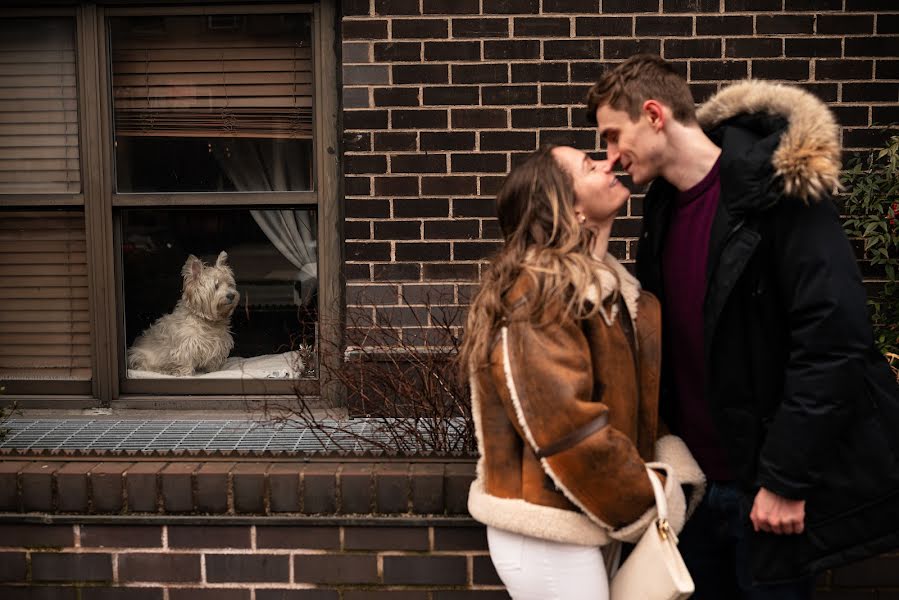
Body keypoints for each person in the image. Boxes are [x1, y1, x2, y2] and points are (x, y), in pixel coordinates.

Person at [586, 54, 899, 598]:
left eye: (613, 136)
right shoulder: (661, 207)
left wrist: (785, 479)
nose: (610, 158)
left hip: (765, 494)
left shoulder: (778, 193)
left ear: (654, 114)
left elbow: (833, 343)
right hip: (694, 492)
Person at [461, 144, 705, 600]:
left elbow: (636, 406)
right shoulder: (539, 293)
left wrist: (666, 466)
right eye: (590, 166)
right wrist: (651, 495)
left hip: (590, 516)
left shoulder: (617, 296)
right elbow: (566, 428)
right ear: (567, 205)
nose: (609, 162)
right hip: (546, 531)